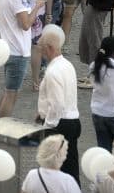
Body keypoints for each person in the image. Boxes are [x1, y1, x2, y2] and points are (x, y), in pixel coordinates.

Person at [0, 0, 45, 117]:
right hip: (17, 51)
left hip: (10, 48)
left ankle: (0, 125)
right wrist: (37, 7)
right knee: (11, 94)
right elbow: (25, 24)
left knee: (8, 91)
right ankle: (1, 127)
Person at [36, 29, 80, 183]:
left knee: (55, 171)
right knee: (71, 168)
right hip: (73, 120)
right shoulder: (67, 64)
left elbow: (57, 106)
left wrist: (47, 127)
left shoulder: (52, 72)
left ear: (49, 48)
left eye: (41, 46)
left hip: (59, 125)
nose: (40, 49)